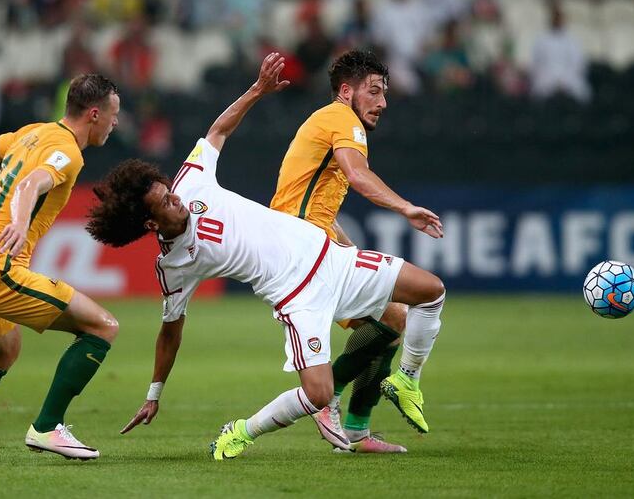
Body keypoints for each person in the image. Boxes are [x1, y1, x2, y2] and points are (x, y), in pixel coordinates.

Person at [86, 53, 446, 460]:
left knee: (430, 291)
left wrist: (257, 90)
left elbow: (218, 130)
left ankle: (405, 381)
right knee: (318, 391)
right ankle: (242, 430)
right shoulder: (175, 267)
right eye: (166, 203)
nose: (176, 198)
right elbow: (170, 331)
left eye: (168, 190)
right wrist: (154, 393)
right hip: (296, 294)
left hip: (328, 255)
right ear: (152, 224)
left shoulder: (189, 182)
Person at [0, 74, 121, 464]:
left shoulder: (33, 132)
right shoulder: (68, 151)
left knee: (3, 353)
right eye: (113, 115)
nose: (115, 123)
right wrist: (19, 219)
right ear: (94, 114)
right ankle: (48, 427)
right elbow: (31, 183)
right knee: (102, 327)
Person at [269, 49, 444, 453]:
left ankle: (356, 429)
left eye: (384, 93)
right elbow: (357, 175)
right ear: (346, 92)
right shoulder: (341, 119)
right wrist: (405, 207)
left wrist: (346, 246)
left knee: (393, 319)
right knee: (407, 307)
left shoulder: (330, 122)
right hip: (299, 251)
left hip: (306, 241)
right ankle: (326, 397)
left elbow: (317, 206)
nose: (382, 102)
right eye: (374, 91)